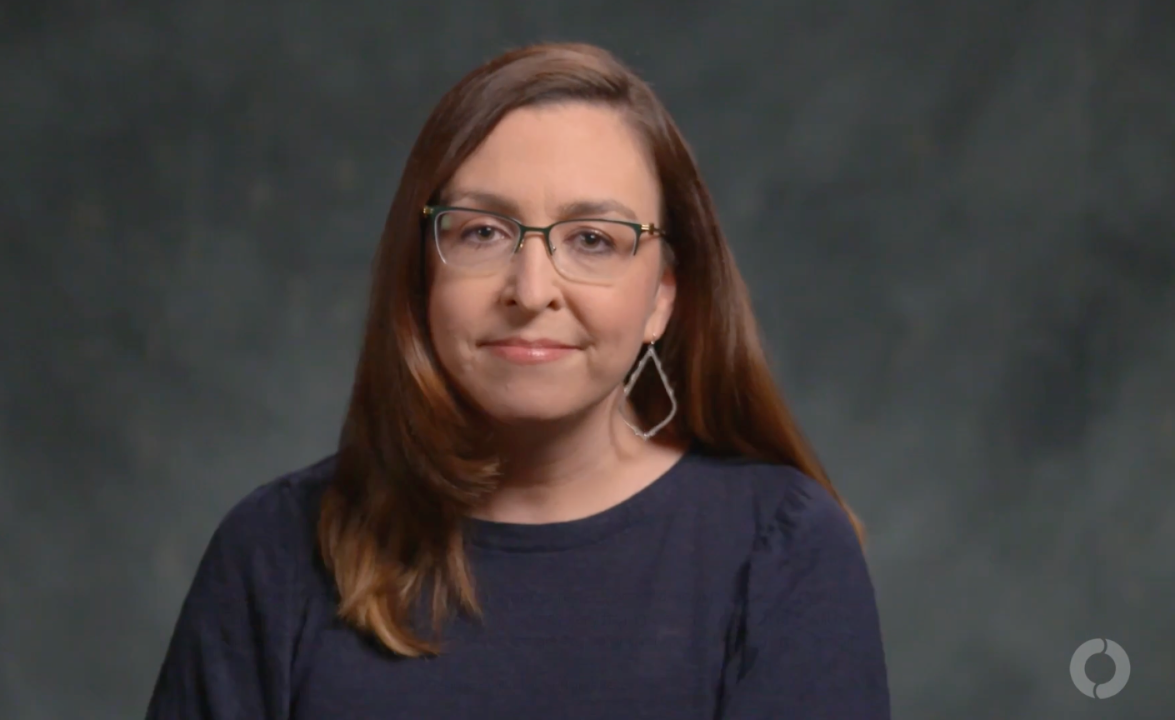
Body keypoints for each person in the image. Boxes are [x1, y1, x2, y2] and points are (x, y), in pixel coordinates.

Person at [146, 41, 891, 719]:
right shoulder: (275, 549)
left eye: (593, 240)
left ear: (663, 295)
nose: (532, 289)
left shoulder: (779, 549)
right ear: (422, 272)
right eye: (482, 232)